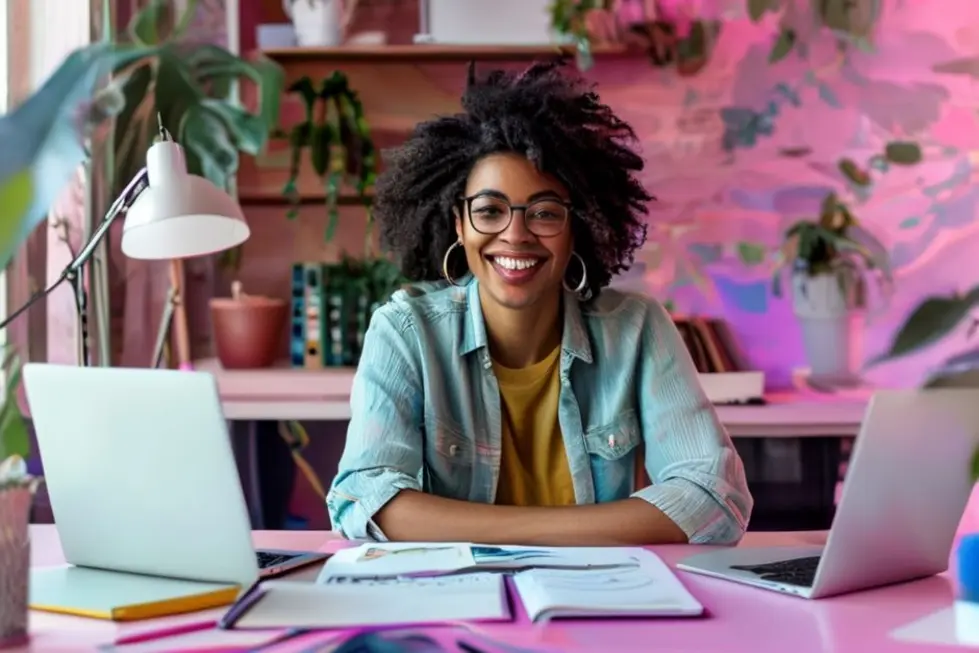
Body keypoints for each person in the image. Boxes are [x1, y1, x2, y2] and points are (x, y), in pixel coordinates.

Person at [327, 60, 752, 546]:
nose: (515, 234)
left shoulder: (636, 329)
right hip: (458, 601)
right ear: (459, 225)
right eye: (489, 211)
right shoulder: (405, 331)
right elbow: (366, 497)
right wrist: (569, 530)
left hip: (600, 600)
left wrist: (491, 530)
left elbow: (714, 497)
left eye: (545, 213)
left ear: (579, 227)